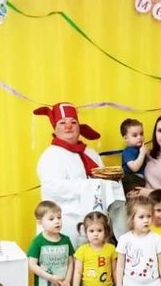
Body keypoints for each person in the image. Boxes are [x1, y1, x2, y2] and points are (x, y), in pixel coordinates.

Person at [35, 102, 126, 248]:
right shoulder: (50, 156)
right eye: (62, 123)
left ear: (79, 127)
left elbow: (103, 183)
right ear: (55, 128)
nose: (68, 126)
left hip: (95, 229)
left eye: (73, 122)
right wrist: (88, 185)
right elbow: (53, 187)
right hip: (65, 228)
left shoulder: (91, 153)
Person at [120, 118, 147, 194]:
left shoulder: (140, 149)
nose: (139, 137)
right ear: (126, 138)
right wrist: (142, 153)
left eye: (141, 134)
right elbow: (134, 168)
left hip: (140, 179)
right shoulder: (128, 151)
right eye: (135, 135)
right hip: (131, 179)